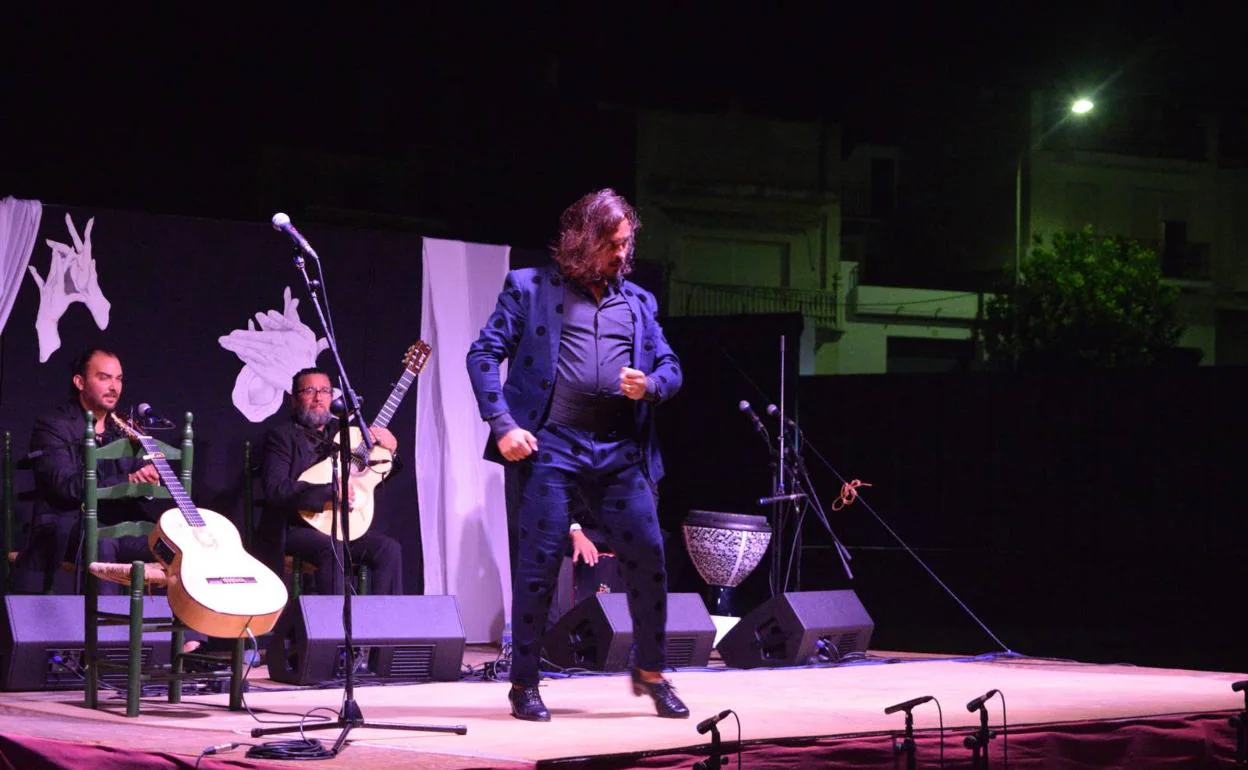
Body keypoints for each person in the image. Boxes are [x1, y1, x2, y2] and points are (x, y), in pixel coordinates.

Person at [467, 188, 688, 721]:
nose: (621, 254)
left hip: (619, 449)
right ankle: (525, 685)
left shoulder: (638, 301)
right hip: (552, 445)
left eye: (626, 243)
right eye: (613, 243)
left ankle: (651, 671)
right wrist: (503, 425)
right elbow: (483, 353)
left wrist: (651, 385)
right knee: (538, 567)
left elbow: (672, 367)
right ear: (583, 241)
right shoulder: (529, 287)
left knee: (649, 559)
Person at [20, 348, 164, 594]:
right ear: (79, 382)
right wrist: (125, 480)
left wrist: (147, 479)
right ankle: (102, 630)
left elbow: (139, 469)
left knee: (174, 544)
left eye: (118, 379)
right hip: (70, 523)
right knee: (102, 542)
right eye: (104, 377)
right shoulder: (54, 425)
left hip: (120, 521)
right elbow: (64, 488)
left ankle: (187, 633)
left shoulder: (122, 427)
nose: (114, 387)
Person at [256, 366, 404, 596]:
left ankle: (384, 624)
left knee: (389, 549)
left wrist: (391, 451)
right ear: (294, 400)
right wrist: (329, 492)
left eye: (325, 391)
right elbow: (276, 489)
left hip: (342, 527)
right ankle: (334, 628)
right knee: (331, 548)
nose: (318, 398)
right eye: (309, 391)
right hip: (297, 527)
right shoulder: (281, 437)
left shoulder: (346, 433)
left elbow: (375, 474)